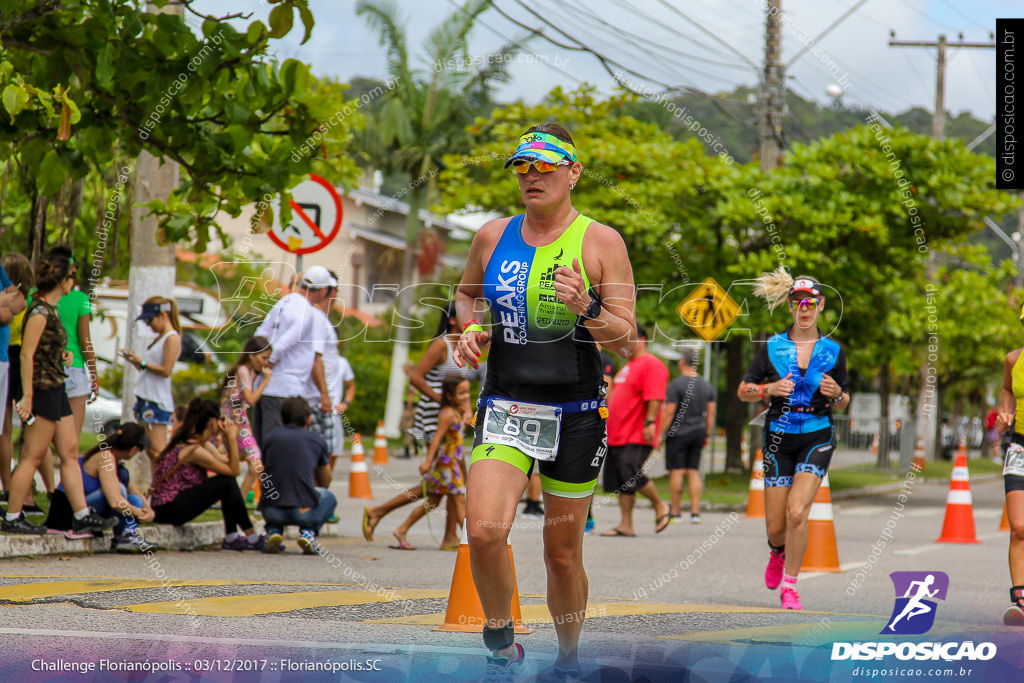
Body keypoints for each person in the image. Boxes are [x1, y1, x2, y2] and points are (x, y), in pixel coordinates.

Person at [453, 123, 637, 676]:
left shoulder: (602, 242)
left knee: (561, 556)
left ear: (573, 172)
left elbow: (627, 340)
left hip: (578, 413)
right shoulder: (491, 236)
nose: (532, 177)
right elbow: (465, 295)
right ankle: (500, 637)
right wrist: (468, 329)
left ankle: (568, 659)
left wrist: (587, 307)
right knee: (484, 531)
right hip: (507, 404)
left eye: (545, 166)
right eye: (522, 167)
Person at [736, 269, 849, 611]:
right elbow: (744, 391)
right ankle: (777, 551)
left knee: (797, 512)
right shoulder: (772, 347)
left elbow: (844, 400)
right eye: (798, 302)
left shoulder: (833, 351)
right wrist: (768, 389)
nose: (804, 308)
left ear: (821, 306)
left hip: (817, 435)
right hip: (777, 439)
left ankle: (790, 586)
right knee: (776, 526)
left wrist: (838, 392)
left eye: (810, 302)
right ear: (790, 307)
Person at [5, 254, 114, 535]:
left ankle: (80, 514)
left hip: (58, 387)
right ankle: (13, 515)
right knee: (32, 455)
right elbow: (27, 354)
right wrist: (27, 396)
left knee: (69, 451)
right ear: (61, 280)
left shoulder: (51, 310)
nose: (73, 282)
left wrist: (62, 353)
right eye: (72, 276)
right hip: (41, 390)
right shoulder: (40, 312)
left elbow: (43, 348)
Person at [149, 397, 265, 551]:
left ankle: (233, 537)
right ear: (212, 422)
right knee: (227, 483)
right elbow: (234, 471)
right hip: (169, 509)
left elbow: (226, 463)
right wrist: (231, 437)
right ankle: (250, 537)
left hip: (168, 505)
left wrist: (226, 438)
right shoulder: (194, 450)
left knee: (226, 482)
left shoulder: (198, 443)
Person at [375, 376, 469, 551]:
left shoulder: (457, 411)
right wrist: (427, 461)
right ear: (449, 395)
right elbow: (436, 439)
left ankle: (401, 529)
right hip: (446, 467)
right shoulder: (448, 414)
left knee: (432, 501)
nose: (465, 396)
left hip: (451, 465)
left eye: (467, 392)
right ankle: (472, 543)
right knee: (460, 502)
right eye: (461, 392)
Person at [601, 323, 671, 537]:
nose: (620, 346)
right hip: (617, 433)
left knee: (630, 472)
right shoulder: (629, 366)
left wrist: (650, 423)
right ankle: (626, 524)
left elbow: (656, 397)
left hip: (636, 433)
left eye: (624, 341)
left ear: (640, 340)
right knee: (622, 481)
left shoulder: (651, 364)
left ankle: (660, 506)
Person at [253, 266, 334, 447]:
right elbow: (289, 338)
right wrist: (271, 360)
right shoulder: (305, 311)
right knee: (279, 448)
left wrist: (256, 362)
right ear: (322, 290)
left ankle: (265, 476)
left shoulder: (285, 302)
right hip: (284, 391)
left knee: (263, 449)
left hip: (265, 389)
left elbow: (260, 333)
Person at [44, 423, 155, 552]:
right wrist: (140, 513)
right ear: (134, 450)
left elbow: (134, 491)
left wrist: (149, 511)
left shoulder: (116, 461)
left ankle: (127, 535)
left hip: (86, 507)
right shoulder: (105, 457)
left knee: (134, 499)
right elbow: (115, 502)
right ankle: (123, 537)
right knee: (119, 490)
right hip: (67, 513)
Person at [259, 397, 337, 555]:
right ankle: (309, 532)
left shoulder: (270, 438)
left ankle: (273, 530)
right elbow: (325, 481)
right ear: (309, 420)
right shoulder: (317, 440)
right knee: (329, 497)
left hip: (272, 510)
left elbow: (264, 473)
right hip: (304, 512)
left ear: (281, 419)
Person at [658, 346, 716, 524]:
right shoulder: (707, 386)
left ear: (682, 362)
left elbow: (669, 411)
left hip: (678, 432)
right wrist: (706, 434)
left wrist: (660, 434)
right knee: (693, 471)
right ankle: (695, 513)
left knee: (676, 471)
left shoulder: (676, 384)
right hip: (698, 432)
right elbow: (711, 413)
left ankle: (675, 513)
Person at [121, 297, 181, 465]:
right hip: (145, 397)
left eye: (149, 319)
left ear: (162, 314)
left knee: (158, 452)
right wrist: (135, 362)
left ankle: (163, 489)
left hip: (157, 401)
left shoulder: (171, 338)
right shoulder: (159, 338)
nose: (148, 325)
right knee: (149, 451)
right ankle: (155, 490)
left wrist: (143, 363)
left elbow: (166, 370)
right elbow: (149, 370)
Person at [48, 246, 98, 441]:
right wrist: (93, 374)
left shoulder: (34, 294)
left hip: (44, 368)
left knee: (41, 438)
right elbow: (86, 341)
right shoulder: (81, 299)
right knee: (71, 441)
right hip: (74, 369)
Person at [995, 308, 1024, 624]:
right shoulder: (1014, 359)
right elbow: (1007, 390)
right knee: (1019, 526)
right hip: (1020, 446)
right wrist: (1005, 412)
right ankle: (1020, 598)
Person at [219, 336, 273, 504]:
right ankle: (238, 504)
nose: (265, 363)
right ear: (251, 354)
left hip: (236, 423)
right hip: (237, 424)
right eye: (263, 358)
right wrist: (266, 380)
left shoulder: (246, 371)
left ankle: (236, 504)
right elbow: (250, 399)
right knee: (255, 464)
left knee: (241, 464)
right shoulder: (243, 370)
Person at [312, 272, 355, 473]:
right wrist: (324, 395)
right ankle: (314, 502)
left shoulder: (320, 319)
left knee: (327, 457)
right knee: (322, 463)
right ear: (328, 290)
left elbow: (351, 384)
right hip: (321, 405)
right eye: (336, 290)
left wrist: (344, 402)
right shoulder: (317, 319)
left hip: (324, 404)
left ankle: (314, 501)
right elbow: (315, 358)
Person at [0, 253, 31, 498]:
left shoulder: (16, 298)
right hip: (19, 358)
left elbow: (10, 313)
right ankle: (19, 488)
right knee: (28, 425)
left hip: (10, 356)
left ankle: (10, 485)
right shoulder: (32, 301)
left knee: (6, 429)